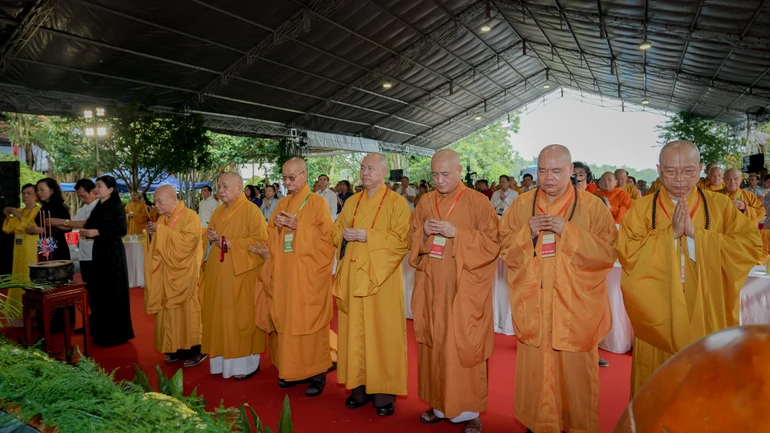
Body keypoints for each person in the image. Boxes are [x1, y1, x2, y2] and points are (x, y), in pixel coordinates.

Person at [618, 141, 761, 396]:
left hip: (705, 306)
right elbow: (627, 253)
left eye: (688, 171)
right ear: (659, 169)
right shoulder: (641, 209)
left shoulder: (720, 206)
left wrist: (698, 237)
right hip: (659, 310)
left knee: (704, 385)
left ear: (701, 169)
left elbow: (750, 245)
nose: (680, 179)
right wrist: (669, 235)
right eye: (671, 171)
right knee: (658, 388)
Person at [500, 145, 616, 433]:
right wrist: (526, 233)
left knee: (575, 372)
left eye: (555, 171)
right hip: (534, 302)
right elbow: (503, 247)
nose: (548, 177)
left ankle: (574, 424)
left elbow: (608, 252)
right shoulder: (521, 205)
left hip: (575, 306)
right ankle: (539, 423)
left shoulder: (592, 207)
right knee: (536, 370)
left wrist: (570, 232)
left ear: (571, 172)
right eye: (541, 170)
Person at [409, 149, 499, 433]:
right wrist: (424, 233)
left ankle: (468, 411)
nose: (440, 180)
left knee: (463, 346)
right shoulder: (425, 202)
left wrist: (456, 233)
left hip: (463, 289)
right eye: (435, 174)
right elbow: (410, 237)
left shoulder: (477, 202)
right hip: (431, 286)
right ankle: (438, 404)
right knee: (434, 343)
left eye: (446, 174)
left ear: (460, 171)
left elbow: (493, 243)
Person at [332, 153, 410, 416]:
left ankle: (384, 394)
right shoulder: (351, 202)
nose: (365, 172)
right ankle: (359, 388)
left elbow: (402, 241)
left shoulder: (397, 203)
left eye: (371, 168)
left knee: (381, 333)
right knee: (354, 331)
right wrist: (342, 235)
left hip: (381, 280)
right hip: (354, 276)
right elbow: (335, 230)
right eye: (363, 168)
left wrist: (369, 236)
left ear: (385, 172)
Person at [261, 158, 335, 397]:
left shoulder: (317, 203)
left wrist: (299, 227)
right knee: (287, 321)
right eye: (284, 177)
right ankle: (291, 371)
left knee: (308, 322)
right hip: (285, 274)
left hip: (307, 275)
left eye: (291, 177)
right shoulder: (282, 202)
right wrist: (281, 229)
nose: (286, 182)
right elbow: (272, 235)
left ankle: (316, 374)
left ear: (304, 176)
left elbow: (327, 239)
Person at [202, 173, 268, 380]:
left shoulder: (252, 211)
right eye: (219, 186)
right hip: (218, 273)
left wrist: (230, 243)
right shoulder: (219, 210)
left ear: (240, 188)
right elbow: (212, 237)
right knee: (218, 317)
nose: (220, 190)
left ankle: (245, 365)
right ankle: (221, 361)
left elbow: (260, 243)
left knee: (239, 318)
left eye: (225, 186)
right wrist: (212, 238)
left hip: (240, 275)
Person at [144, 185, 206, 367]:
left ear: (173, 198)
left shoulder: (190, 217)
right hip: (166, 275)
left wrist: (161, 232)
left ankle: (196, 350)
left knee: (188, 313)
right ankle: (175, 349)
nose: (156, 205)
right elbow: (157, 247)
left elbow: (188, 243)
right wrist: (151, 234)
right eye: (155, 201)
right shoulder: (162, 219)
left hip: (184, 274)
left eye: (159, 201)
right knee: (168, 313)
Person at [80, 175, 135, 347]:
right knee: (100, 293)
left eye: (100, 186)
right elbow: (90, 224)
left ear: (110, 190)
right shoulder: (98, 205)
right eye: (96, 186)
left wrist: (97, 232)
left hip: (112, 255)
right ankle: (101, 330)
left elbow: (121, 229)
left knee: (113, 293)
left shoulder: (116, 205)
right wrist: (88, 230)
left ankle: (116, 334)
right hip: (99, 252)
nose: (96, 189)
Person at [48, 179, 99, 334]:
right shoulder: (84, 207)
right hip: (84, 254)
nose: (81, 199)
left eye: (83, 196)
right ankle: (91, 321)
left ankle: (97, 322)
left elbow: (82, 223)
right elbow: (70, 224)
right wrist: (52, 223)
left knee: (97, 291)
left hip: (95, 253)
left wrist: (60, 221)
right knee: (88, 289)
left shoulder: (99, 207)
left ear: (92, 192)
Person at [2, 184, 40, 326]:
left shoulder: (38, 210)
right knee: (17, 277)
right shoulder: (20, 210)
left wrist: (16, 214)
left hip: (31, 248)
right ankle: (16, 313)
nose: (25, 196)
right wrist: (7, 214)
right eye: (23, 193)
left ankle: (33, 314)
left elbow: (29, 226)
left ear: (36, 196)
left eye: (29, 193)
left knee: (29, 278)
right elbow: (8, 229)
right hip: (18, 249)